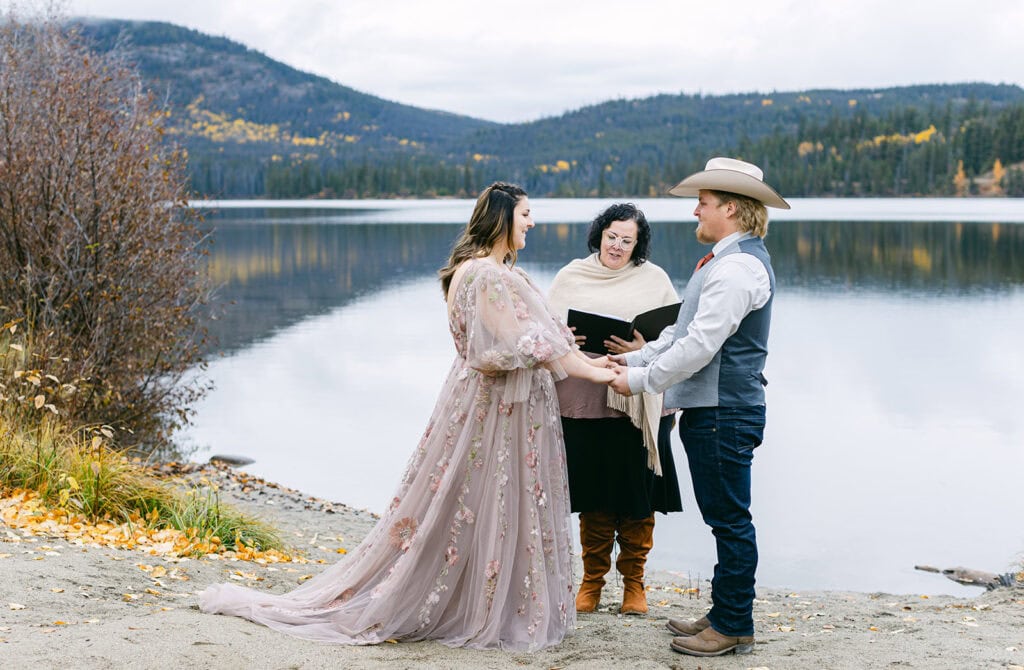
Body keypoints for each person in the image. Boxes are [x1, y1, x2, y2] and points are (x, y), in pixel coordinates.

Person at [199, 182, 615, 651]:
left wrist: (590, 364)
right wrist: (595, 373)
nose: (532, 222)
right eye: (525, 214)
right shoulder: (487, 275)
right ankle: (475, 604)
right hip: (498, 408)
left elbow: (534, 343)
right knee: (485, 496)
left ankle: (479, 593)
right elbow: (526, 345)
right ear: (502, 218)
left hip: (480, 401)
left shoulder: (473, 270)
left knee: (469, 498)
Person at [608, 157, 789, 657]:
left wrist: (642, 380)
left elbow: (700, 347)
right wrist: (638, 358)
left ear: (730, 208)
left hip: (724, 412)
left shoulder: (738, 268)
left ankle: (733, 625)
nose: (695, 212)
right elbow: (680, 333)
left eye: (703, 204)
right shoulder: (727, 261)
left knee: (729, 520)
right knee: (723, 518)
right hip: (715, 410)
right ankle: (723, 613)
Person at [546, 203, 683, 616]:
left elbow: (675, 336)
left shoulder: (654, 279)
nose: (618, 246)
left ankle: (634, 585)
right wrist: (563, 334)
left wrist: (642, 350)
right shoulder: (571, 275)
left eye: (627, 240)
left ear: (638, 245)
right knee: (594, 494)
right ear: (599, 234)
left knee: (637, 495)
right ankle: (591, 583)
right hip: (584, 399)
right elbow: (546, 330)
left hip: (638, 403)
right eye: (612, 237)